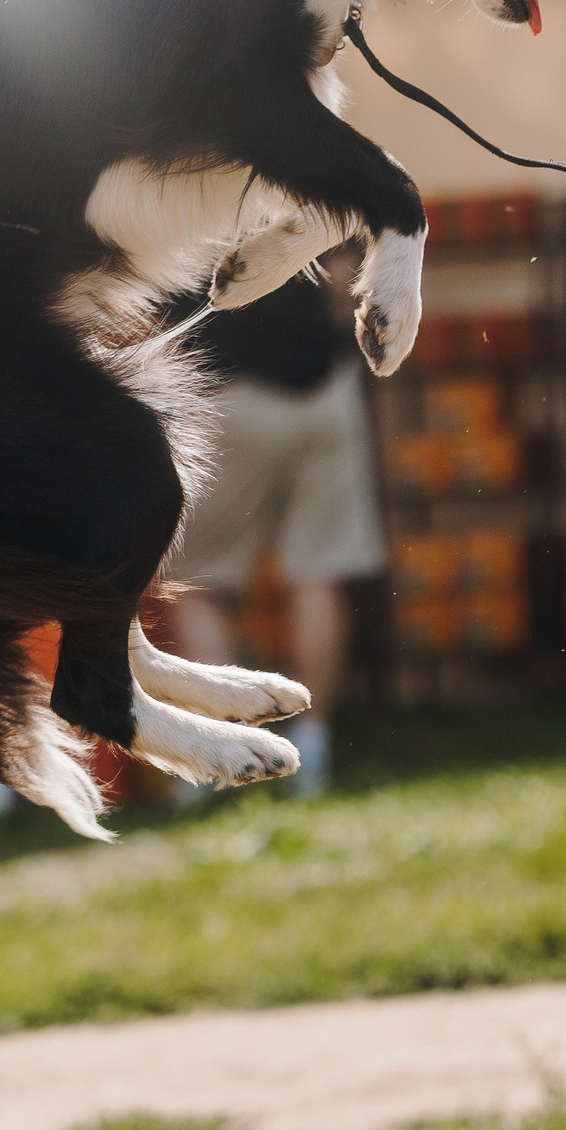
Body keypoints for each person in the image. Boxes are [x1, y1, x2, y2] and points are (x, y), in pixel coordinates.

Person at [159, 274, 385, 794]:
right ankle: (312, 749)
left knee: (197, 580)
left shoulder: (165, 202)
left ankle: (212, 759)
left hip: (227, 394)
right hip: (326, 392)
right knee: (317, 574)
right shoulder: (283, 193)